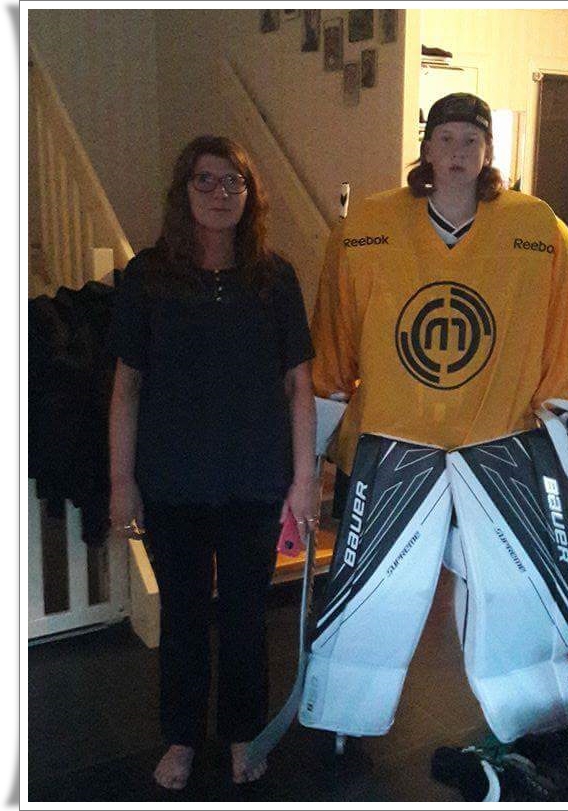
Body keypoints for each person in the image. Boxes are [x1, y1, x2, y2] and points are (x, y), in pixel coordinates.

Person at [299, 94, 568, 742]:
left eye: (471, 140)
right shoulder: (365, 228)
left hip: (504, 443)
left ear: (488, 151)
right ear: (426, 147)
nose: (458, 152)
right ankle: (342, 718)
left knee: (519, 592)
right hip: (394, 441)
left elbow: (563, 355)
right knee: (376, 594)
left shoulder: (541, 230)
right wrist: (309, 459)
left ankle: (539, 718)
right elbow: (332, 352)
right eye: (446, 138)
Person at [108, 135, 316, 789]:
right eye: (206, 180)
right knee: (185, 616)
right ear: (184, 190)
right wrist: (120, 481)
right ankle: (181, 736)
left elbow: (299, 385)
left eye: (234, 182)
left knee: (247, 616)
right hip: (173, 481)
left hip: (256, 478)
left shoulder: (275, 277)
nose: (221, 193)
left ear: (250, 195)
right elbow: (127, 387)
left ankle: (243, 731)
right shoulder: (147, 276)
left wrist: (305, 478)